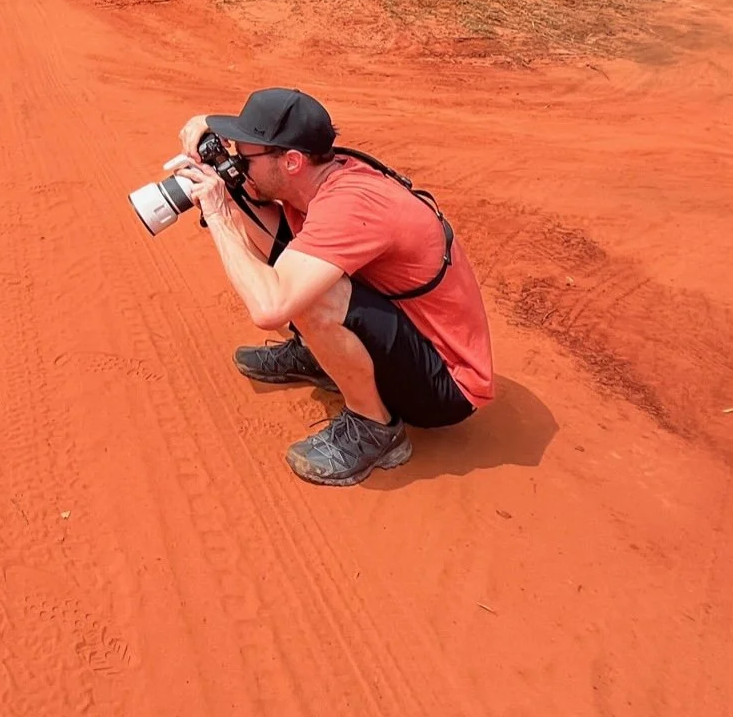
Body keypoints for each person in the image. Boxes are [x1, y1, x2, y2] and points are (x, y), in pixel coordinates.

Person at [170, 88, 493, 486]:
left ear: (291, 160)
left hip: (445, 384)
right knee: (270, 229)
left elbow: (270, 309)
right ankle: (318, 353)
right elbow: (274, 233)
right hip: (403, 330)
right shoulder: (319, 174)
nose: (237, 162)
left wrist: (217, 212)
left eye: (243, 154)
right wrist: (210, 135)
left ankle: (376, 428)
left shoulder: (350, 205)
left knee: (308, 299)